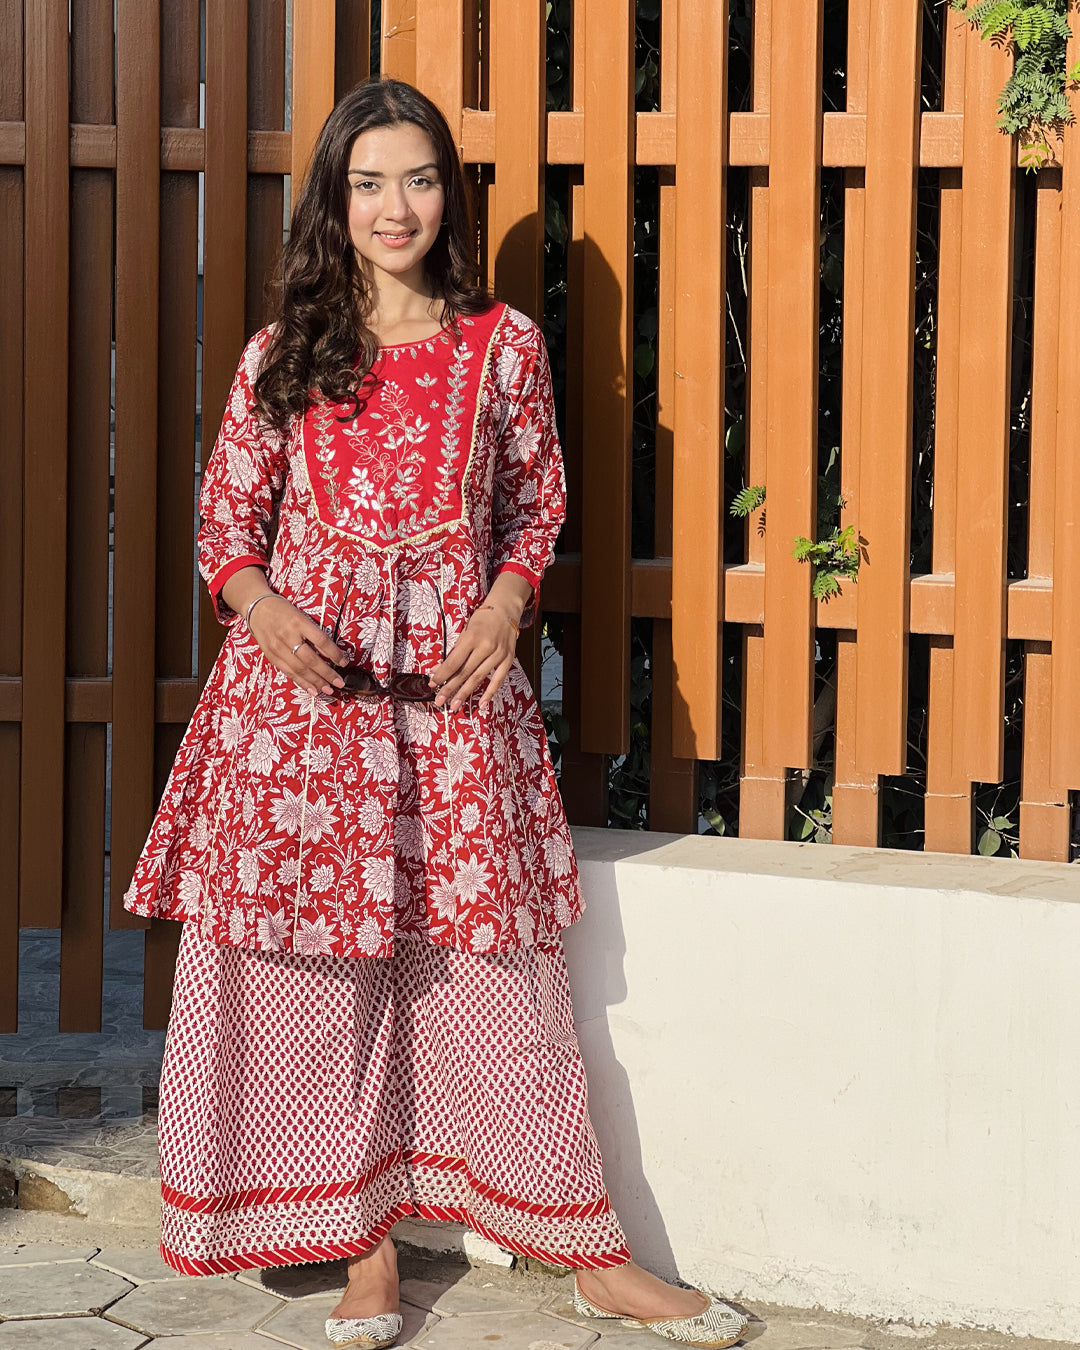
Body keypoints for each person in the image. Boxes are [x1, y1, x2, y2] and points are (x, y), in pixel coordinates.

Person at [123, 75, 748, 1350]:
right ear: (334, 206)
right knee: (321, 988)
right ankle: (363, 1255)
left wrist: (510, 606)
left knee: (497, 984)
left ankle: (588, 1248)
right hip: (301, 723)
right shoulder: (281, 357)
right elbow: (223, 523)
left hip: (455, 714)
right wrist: (262, 609)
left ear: (445, 195)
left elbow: (535, 504)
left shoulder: (503, 346)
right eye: (367, 183)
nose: (393, 206)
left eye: (416, 179)